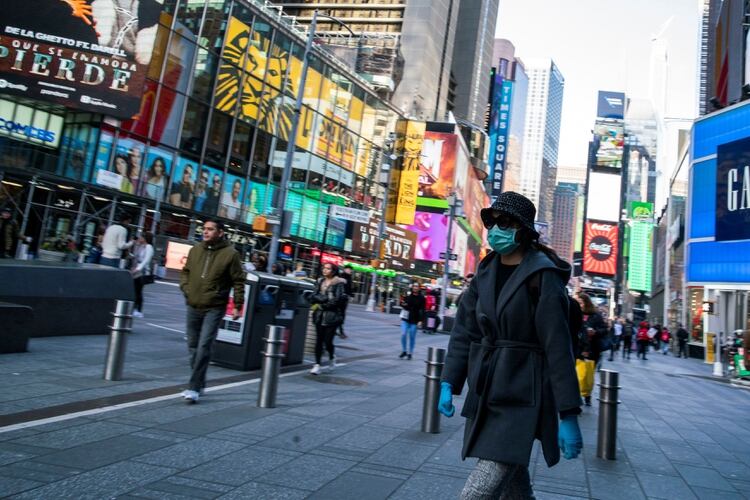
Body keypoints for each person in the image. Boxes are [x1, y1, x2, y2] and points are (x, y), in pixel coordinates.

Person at [438, 192, 582, 499]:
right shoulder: (485, 271)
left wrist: (568, 413)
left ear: (523, 229)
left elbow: (558, 346)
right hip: (487, 388)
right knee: (515, 489)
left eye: (506, 222)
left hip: (524, 393)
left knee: (476, 493)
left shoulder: (543, 276)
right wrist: (449, 381)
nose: (496, 229)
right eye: (492, 221)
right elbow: (464, 330)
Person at [179, 219, 245, 403]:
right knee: (193, 346)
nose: (205, 232)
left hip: (214, 307)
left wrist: (238, 305)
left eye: (210, 229)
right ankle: (199, 382)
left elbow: (238, 281)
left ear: (220, 232)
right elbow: (186, 271)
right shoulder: (195, 250)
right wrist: (186, 288)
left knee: (204, 346)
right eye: (204, 229)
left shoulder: (230, 254)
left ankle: (193, 388)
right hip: (193, 304)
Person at [309, 263, 347, 375]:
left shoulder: (338, 283)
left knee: (328, 341)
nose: (325, 270)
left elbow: (336, 300)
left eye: (328, 268)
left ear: (333, 271)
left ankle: (331, 357)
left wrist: (322, 304)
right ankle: (317, 365)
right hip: (319, 315)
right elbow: (313, 296)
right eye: (324, 268)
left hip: (332, 316)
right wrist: (325, 298)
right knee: (319, 341)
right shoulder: (320, 281)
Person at [576, 293, 606, 405]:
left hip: (592, 349)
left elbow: (604, 330)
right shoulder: (576, 314)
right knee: (577, 373)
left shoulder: (596, 316)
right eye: (578, 303)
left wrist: (595, 332)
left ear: (587, 303)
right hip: (578, 348)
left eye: (581, 303)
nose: (579, 305)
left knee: (588, 373)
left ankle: (587, 395)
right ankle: (577, 395)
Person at [130, 232, 154, 318]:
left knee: (138, 290)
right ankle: (134, 308)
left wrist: (138, 268)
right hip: (137, 269)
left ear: (145, 238)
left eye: (141, 237)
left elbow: (146, 260)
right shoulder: (141, 246)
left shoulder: (149, 247)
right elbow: (135, 256)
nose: (140, 239)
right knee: (135, 290)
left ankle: (138, 310)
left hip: (142, 271)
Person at [399, 282, 425, 360]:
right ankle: (404, 351)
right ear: (412, 287)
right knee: (403, 334)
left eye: (417, 286)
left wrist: (421, 320)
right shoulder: (408, 296)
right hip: (406, 318)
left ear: (419, 288)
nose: (415, 288)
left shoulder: (422, 298)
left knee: (412, 336)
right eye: (414, 286)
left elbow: (422, 310)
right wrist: (402, 303)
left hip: (415, 320)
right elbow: (404, 305)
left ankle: (410, 352)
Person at [338, 265, 353, 339]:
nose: (350, 271)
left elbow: (349, 288)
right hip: (341, 299)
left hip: (345, 299)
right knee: (341, 315)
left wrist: (350, 295)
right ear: (345, 269)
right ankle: (341, 331)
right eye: (349, 269)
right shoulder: (342, 276)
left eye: (351, 270)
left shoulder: (349, 277)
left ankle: (339, 331)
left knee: (342, 315)